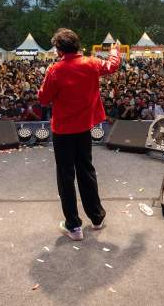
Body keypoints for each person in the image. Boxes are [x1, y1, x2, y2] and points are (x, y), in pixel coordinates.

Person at [38, 28, 120, 241]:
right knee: (86, 170)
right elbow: (112, 65)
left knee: (66, 176)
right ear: (77, 45)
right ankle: (97, 217)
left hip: (63, 131)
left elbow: (43, 99)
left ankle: (74, 227)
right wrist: (114, 50)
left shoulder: (55, 70)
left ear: (59, 50)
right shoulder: (91, 63)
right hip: (84, 127)